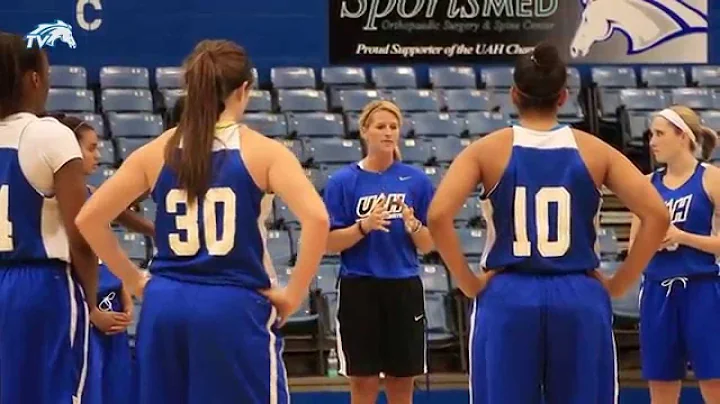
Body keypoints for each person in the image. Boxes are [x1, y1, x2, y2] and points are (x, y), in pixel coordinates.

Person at [75, 39, 329, 403]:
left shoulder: (158, 150)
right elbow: (318, 219)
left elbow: (90, 218)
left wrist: (134, 279)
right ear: (244, 89)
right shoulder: (264, 151)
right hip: (232, 307)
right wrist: (293, 294)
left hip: (164, 308)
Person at [426, 43, 670, 404]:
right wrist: (620, 282)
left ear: (513, 95)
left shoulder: (487, 149)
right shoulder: (595, 149)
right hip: (578, 294)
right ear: (563, 97)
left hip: (508, 294)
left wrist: (469, 282)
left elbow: (437, 215)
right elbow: (658, 215)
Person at [0, 32, 98, 403]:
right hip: (39, 287)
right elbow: (81, 233)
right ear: (33, 78)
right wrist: (90, 302)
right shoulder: (48, 134)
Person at [323, 100, 435, 404]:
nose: (388, 133)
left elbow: (428, 244)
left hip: (403, 286)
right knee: (363, 384)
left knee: (402, 383)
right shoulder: (343, 182)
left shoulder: (417, 181)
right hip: (359, 287)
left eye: (393, 127)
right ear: (364, 132)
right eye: (380, 126)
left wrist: (414, 227)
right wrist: (364, 226)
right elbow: (328, 243)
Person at [49, 113, 155, 404]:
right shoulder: (55, 202)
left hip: (111, 304)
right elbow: (72, 258)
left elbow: (120, 216)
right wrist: (91, 310)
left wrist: (123, 289)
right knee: (86, 391)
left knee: (117, 390)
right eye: (91, 147)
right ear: (69, 149)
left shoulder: (91, 193)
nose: (99, 154)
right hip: (86, 307)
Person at [632, 105, 720, 404]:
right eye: (650, 134)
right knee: (662, 387)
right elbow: (634, 250)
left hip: (703, 289)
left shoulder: (711, 179)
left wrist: (682, 237)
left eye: (659, 134)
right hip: (658, 291)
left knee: (714, 383)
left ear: (682, 136)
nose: (651, 142)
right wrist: (651, 241)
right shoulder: (645, 184)